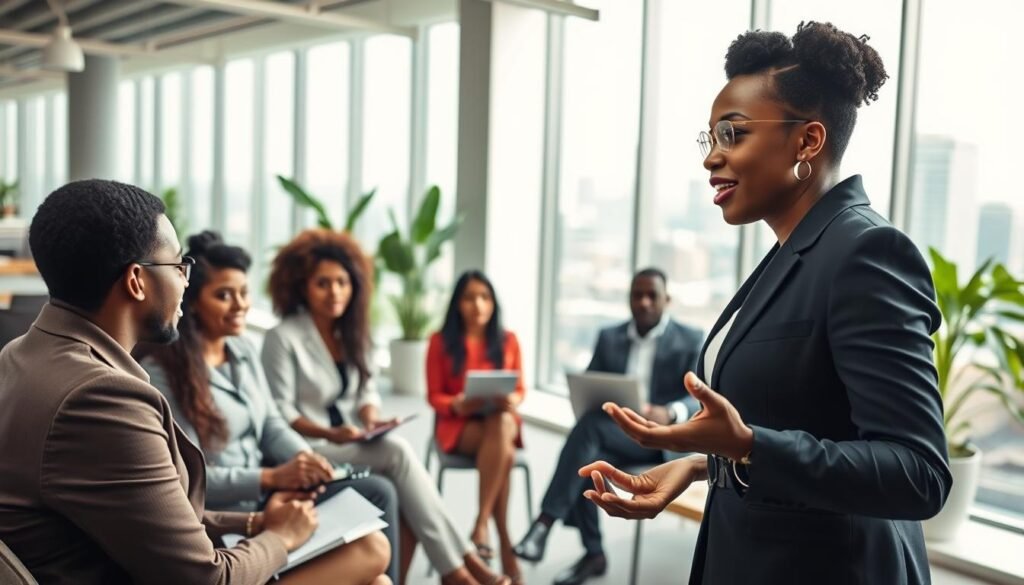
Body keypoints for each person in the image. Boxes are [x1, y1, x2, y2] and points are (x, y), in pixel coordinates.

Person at [578, 22, 952, 585]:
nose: (711, 159)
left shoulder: (866, 253)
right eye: (710, 139)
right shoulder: (792, 251)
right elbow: (806, 419)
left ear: (807, 142)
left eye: (733, 135)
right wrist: (700, 466)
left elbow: (917, 472)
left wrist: (748, 444)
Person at [0, 179, 389, 585]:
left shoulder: (19, 355)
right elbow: (206, 579)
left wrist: (256, 522)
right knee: (370, 552)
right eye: (178, 266)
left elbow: (145, 512)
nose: (186, 281)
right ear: (136, 281)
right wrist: (281, 536)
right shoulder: (100, 398)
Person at [139, 230, 395, 584]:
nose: (240, 304)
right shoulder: (166, 372)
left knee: (379, 517)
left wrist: (308, 462)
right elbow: (190, 478)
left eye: (243, 293)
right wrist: (270, 477)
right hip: (223, 520)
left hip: (266, 501)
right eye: (223, 295)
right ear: (193, 300)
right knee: (374, 556)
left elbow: (271, 423)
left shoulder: (242, 350)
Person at [262, 229, 510, 585]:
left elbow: (367, 391)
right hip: (309, 448)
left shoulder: (352, 332)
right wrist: (330, 431)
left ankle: (460, 568)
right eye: (323, 283)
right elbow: (280, 412)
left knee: (404, 478)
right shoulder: (282, 338)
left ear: (355, 286)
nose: (335, 292)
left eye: (342, 283)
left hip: (352, 440)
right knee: (398, 454)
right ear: (302, 286)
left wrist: (370, 418)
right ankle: (461, 568)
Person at [513, 268, 703, 585]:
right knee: (586, 462)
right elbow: (591, 385)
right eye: (636, 295)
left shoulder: (690, 339)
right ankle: (594, 553)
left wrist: (670, 413)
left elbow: (698, 395)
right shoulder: (609, 337)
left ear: (666, 300)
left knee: (587, 437)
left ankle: (546, 524)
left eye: (651, 295)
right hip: (616, 435)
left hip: (661, 440)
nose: (643, 302)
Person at [426, 270, 526, 583]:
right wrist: (455, 403)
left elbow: (521, 388)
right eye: (469, 298)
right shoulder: (440, 342)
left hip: (498, 422)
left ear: (494, 303)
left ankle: (481, 526)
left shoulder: (508, 340)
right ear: (457, 304)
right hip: (459, 426)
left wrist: (512, 399)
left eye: (484, 297)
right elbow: (433, 395)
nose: (477, 305)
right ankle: (503, 542)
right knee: (503, 450)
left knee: (502, 424)